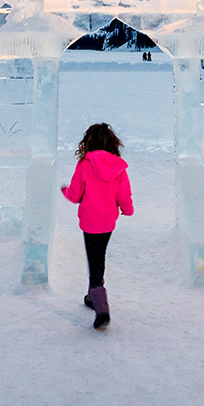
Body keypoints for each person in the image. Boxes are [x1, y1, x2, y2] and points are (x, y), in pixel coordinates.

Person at [60, 122, 133, 330]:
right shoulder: (118, 167)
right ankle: (92, 296)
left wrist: (65, 191)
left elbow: (75, 195)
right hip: (108, 220)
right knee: (98, 256)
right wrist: (127, 210)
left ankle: (102, 310)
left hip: (90, 220)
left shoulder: (84, 164)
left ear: (88, 142)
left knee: (95, 259)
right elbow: (123, 195)